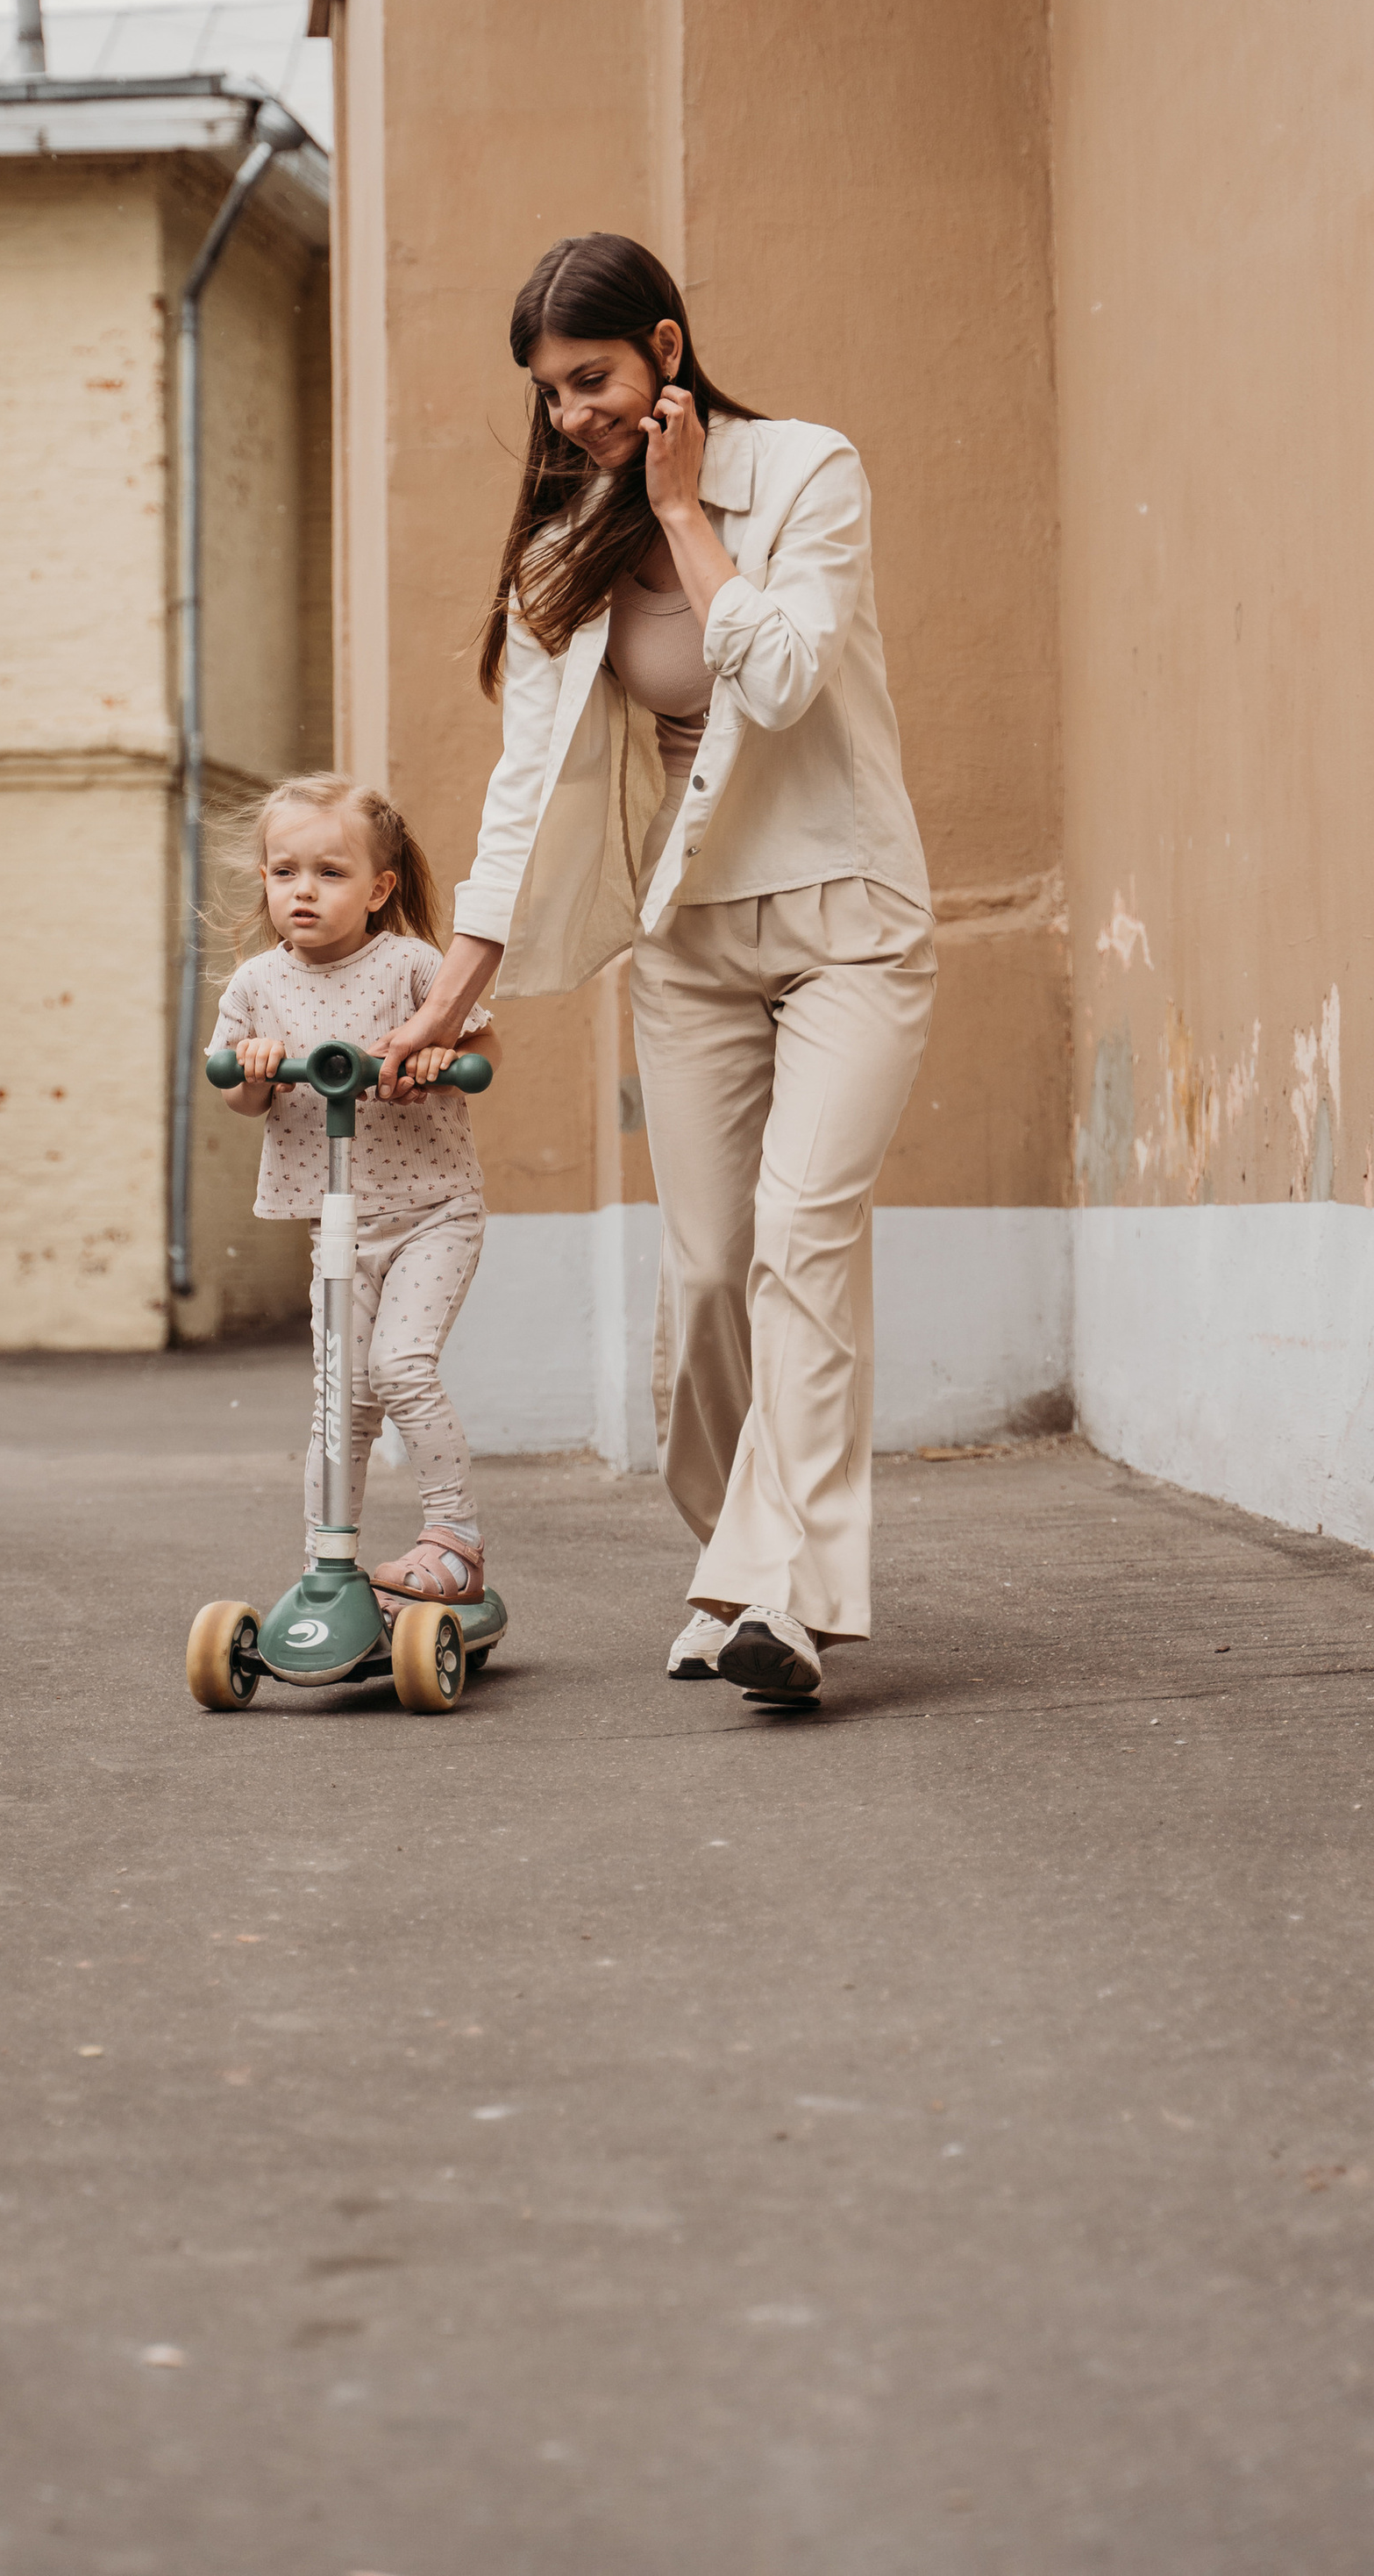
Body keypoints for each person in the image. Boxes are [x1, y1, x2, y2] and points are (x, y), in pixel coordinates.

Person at [379, 232, 935, 1705]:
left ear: (668, 352)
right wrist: (452, 986)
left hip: (847, 922)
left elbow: (784, 676)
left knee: (801, 1244)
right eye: (553, 394)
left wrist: (687, 516)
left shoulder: (810, 472)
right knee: (703, 1281)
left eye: (596, 379)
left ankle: (779, 1602)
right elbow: (524, 782)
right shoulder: (565, 549)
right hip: (687, 942)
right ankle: (736, 1564)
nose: (573, 417)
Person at [213, 773, 498, 1609]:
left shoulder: (412, 965)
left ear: (379, 889)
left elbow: (484, 1046)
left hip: (432, 1212)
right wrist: (257, 1069)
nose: (303, 890)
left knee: (400, 1367)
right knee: (342, 1398)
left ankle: (456, 1540)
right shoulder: (257, 985)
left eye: (330, 873)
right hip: (340, 1229)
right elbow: (235, 1087)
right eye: (283, 871)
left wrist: (443, 1058)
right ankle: (325, 1566)